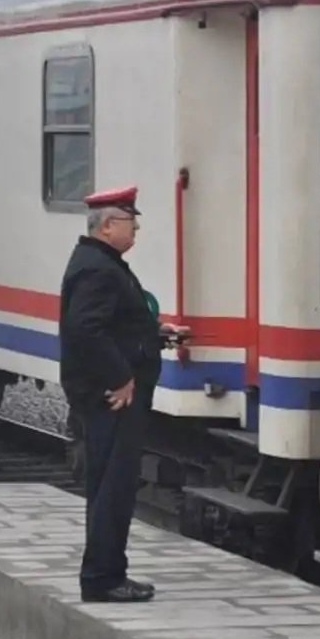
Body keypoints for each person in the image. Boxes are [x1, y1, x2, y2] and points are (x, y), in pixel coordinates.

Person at [58, 184, 189, 603]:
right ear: (108, 225)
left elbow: (115, 325)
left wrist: (156, 333)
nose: (135, 232)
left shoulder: (100, 261)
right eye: (131, 224)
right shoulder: (100, 268)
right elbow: (86, 330)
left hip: (109, 394)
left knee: (111, 485)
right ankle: (102, 578)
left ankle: (107, 572)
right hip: (112, 398)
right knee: (113, 486)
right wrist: (121, 377)